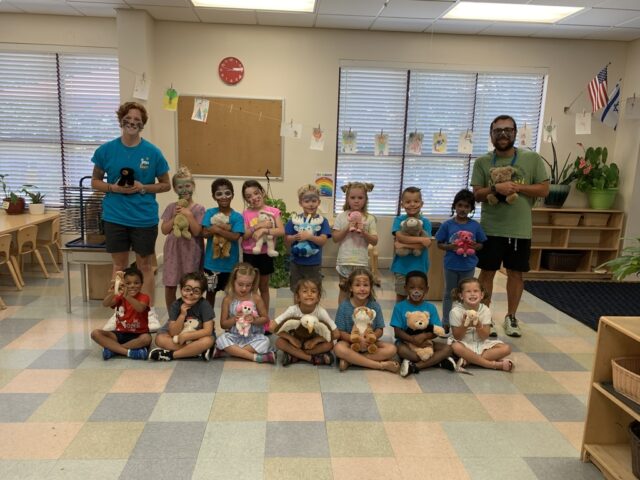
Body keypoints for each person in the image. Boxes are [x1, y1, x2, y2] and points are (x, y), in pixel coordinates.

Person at [471, 114, 549, 337]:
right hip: (490, 228)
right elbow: (477, 194)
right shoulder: (483, 162)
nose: (503, 134)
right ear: (491, 135)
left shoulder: (531, 159)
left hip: (519, 229)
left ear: (515, 133)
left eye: (508, 130)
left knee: (516, 274)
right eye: (498, 131)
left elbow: (543, 190)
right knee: (487, 273)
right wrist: (496, 189)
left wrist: (516, 187)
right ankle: (484, 317)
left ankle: (511, 317)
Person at [91, 101, 171, 306]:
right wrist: (114, 188)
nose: (132, 122)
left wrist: (142, 187)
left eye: (137, 119)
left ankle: (147, 310)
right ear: (121, 120)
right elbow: (95, 182)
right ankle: (119, 310)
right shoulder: (105, 150)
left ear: (142, 124)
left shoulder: (153, 153)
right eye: (128, 118)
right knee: (119, 265)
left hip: (143, 218)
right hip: (115, 216)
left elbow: (165, 185)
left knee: (145, 265)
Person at [435, 189, 487, 329]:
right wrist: (450, 247)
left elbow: (481, 244)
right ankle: (446, 321)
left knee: (466, 294)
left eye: (466, 206)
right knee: (449, 293)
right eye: (460, 205)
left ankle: (465, 320)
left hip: (468, 266)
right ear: (454, 206)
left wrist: (476, 246)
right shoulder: (447, 225)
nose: (463, 209)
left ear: (471, 208)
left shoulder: (475, 225)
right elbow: (439, 244)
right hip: (451, 265)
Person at [333, 268, 399, 373]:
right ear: (350, 287)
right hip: (350, 342)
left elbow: (380, 329)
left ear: (371, 287)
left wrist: (371, 338)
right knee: (338, 348)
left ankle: (351, 360)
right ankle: (379, 365)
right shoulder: (344, 306)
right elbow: (340, 332)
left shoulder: (374, 306)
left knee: (392, 349)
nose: (362, 289)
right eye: (358, 285)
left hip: (370, 343)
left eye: (365, 285)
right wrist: (356, 339)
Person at [391, 271, 456, 378]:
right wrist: (413, 340)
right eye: (412, 288)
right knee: (401, 350)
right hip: (406, 342)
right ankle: (436, 362)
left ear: (426, 289)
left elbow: (437, 330)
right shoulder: (399, 307)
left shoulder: (430, 307)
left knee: (448, 349)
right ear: (405, 288)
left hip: (426, 343)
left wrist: (424, 336)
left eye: (420, 288)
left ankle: (415, 366)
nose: (416, 291)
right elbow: (397, 332)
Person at [160, 166, 204, 312]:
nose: (184, 190)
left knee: (191, 284)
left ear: (193, 186)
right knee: (170, 284)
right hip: (173, 252)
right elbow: (164, 230)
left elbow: (198, 232)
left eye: (187, 185)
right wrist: (175, 217)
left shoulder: (199, 209)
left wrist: (189, 215)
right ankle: (173, 316)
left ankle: (192, 315)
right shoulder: (171, 207)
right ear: (174, 188)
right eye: (180, 186)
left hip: (191, 253)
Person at [448, 278, 514, 372]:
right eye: (468, 291)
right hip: (463, 344)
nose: (472, 294)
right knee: (455, 347)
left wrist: (478, 325)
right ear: (461, 296)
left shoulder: (485, 310)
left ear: (482, 295)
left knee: (506, 348)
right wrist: (464, 325)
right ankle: (492, 364)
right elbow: (457, 337)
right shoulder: (455, 312)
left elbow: (484, 336)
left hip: (481, 344)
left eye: (476, 291)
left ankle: (469, 360)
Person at [215, 262, 275, 363]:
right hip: (234, 336)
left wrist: (254, 320)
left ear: (253, 283)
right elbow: (223, 325)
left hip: (253, 336)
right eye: (240, 284)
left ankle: (228, 352)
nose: (244, 288)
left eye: (248, 285)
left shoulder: (256, 298)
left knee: (266, 341)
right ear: (233, 281)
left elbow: (265, 319)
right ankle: (255, 357)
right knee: (221, 338)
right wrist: (234, 319)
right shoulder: (228, 299)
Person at [271, 278, 338, 366]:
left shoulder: (321, 312)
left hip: (313, 345)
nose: (309, 294)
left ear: (318, 297)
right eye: (305, 291)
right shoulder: (292, 310)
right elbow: (272, 327)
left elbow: (336, 334)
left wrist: (315, 340)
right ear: (297, 297)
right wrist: (291, 339)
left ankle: (295, 356)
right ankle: (311, 358)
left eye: (313, 291)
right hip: (296, 342)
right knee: (279, 342)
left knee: (329, 345)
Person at [149, 272, 215, 361]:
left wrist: (188, 336)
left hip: (197, 337)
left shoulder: (205, 305)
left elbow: (207, 331)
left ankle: (171, 355)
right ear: (181, 289)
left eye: (196, 291)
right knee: (159, 339)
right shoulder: (176, 305)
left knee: (208, 341)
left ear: (202, 293)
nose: (191, 293)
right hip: (178, 336)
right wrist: (182, 315)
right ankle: (195, 351)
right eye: (187, 289)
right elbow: (173, 333)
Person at [241, 180, 284, 315]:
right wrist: (258, 226)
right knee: (249, 287)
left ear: (262, 192)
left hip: (266, 254)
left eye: (256, 193)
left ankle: (264, 317)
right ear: (246, 200)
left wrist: (266, 231)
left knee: (264, 287)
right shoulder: (245, 214)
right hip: (249, 254)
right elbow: (244, 235)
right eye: (249, 196)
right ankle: (250, 316)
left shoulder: (273, 211)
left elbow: (281, 231)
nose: (253, 198)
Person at [90, 266, 151, 360]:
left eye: (136, 283)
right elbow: (105, 304)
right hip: (120, 333)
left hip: (139, 334)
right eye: (128, 283)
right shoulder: (120, 296)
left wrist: (127, 296)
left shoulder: (144, 297)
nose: (132, 286)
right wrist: (112, 293)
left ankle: (113, 349)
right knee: (95, 333)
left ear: (142, 284)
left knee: (147, 339)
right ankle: (128, 352)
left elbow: (140, 308)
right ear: (122, 284)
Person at [201, 178, 244, 310]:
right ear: (214, 196)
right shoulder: (209, 213)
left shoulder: (237, 217)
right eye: (219, 194)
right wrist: (225, 229)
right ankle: (208, 323)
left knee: (231, 295)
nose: (224, 197)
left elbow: (235, 236)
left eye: (227, 193)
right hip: (211, 265)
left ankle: (230, 324)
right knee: (210, 293)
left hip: (230, 267)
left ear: (232, 195)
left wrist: (217, 229)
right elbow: (205, 233)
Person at [332, 182, 378, 304]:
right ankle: (342, 317)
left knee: (361, 292)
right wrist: (347, 228)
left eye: (360, 198)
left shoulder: (369, 218)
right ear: (347, 199)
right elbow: (335, 238)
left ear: (365, 199)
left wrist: (364, 233)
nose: (356, 201)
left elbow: (374, 241)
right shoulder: (341, 217)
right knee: (344, 289)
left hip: (361, 262)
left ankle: (360, 315)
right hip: (344, 261)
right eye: (352, 198)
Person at [284, 184, 332, 292]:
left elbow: (323, 241)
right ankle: (297, 309)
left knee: (313, 290)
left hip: (314, 263)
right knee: (297, 290)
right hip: (296, 263)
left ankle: (312, 309)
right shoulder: (294, 220)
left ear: (318, 202)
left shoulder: (323, 221)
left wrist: (310, 237)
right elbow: (286, 241)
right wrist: (295, 237)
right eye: (306, 201)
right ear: (301, 203)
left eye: (314, 201)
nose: (311, 204)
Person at [390, 186, 432, 302]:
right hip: (401, 267)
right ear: (402, 204)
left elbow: (424, 245)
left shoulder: (426, 222)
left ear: (421, 203)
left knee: (418, 299)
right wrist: (420, 240)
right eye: (408, 202)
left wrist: (403, 245)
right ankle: (399, 320)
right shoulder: (398, 220)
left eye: (416, 201)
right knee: (401, 297)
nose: (412, 204)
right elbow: (399, 236)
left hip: (420, 267)